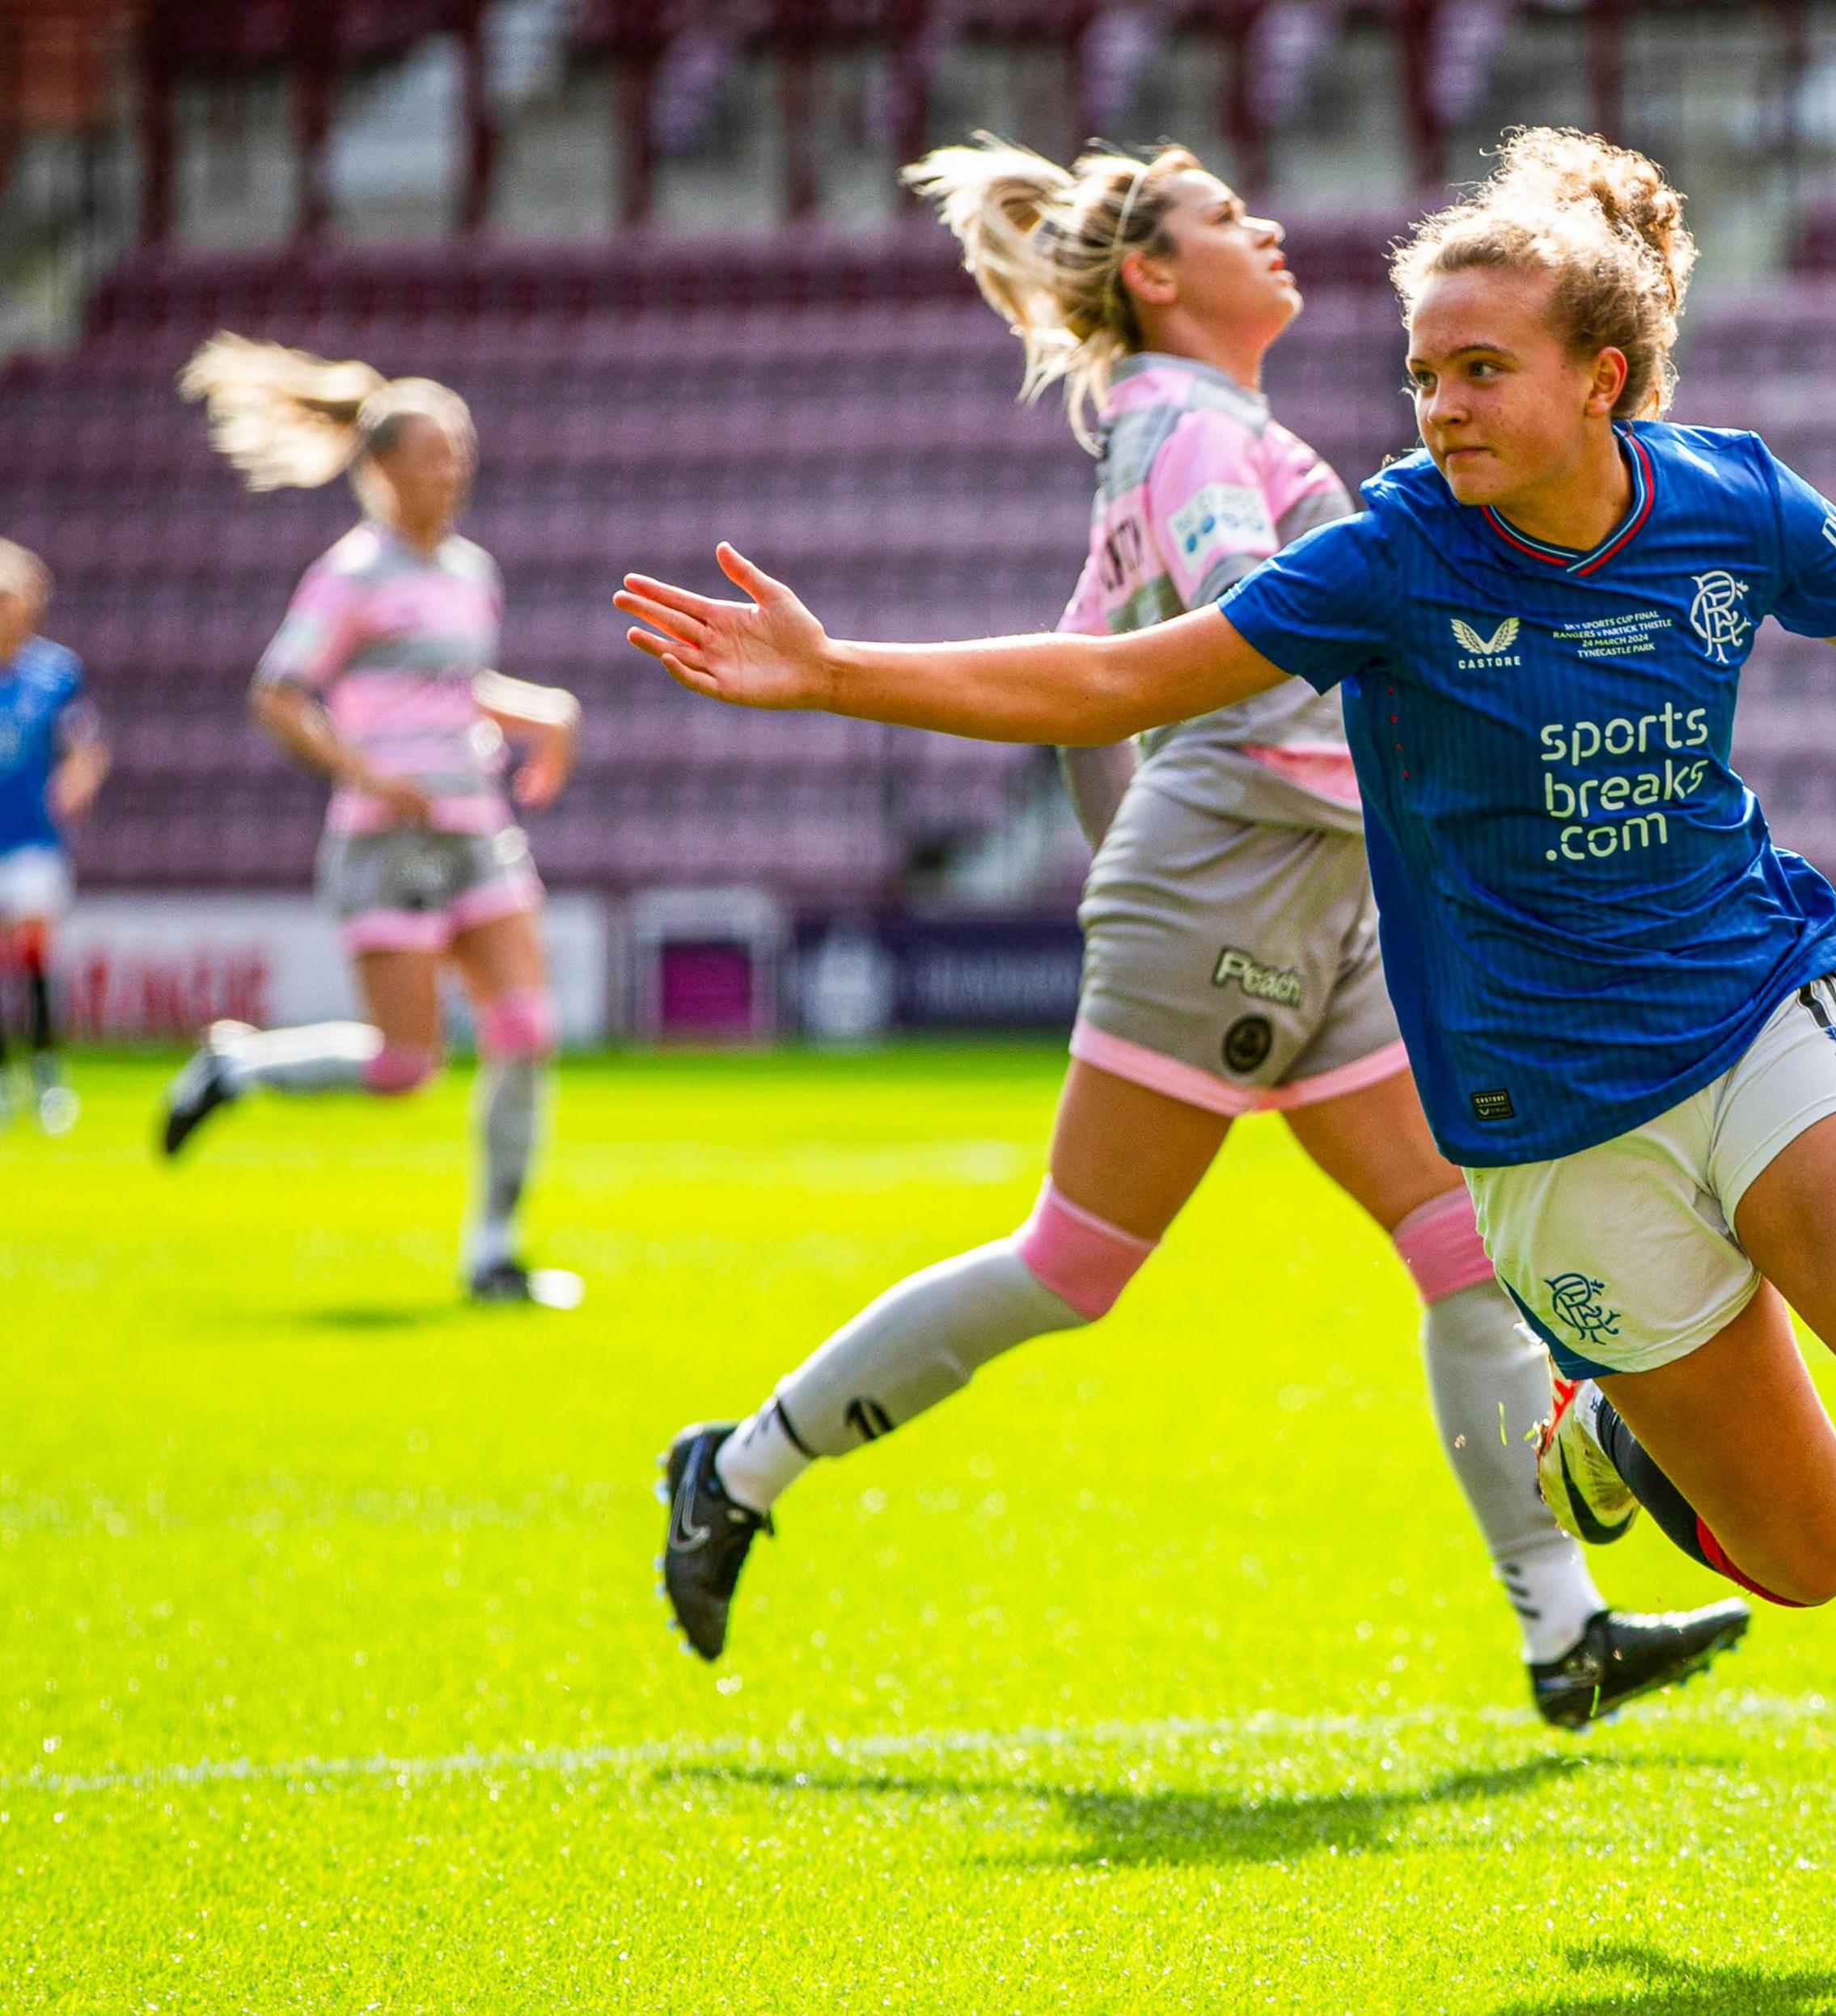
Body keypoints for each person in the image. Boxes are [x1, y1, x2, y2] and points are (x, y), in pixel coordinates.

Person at [616, 127, 1836, 1981]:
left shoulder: (1729, 505)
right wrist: (835, 668)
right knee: (1808, 1555)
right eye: (1420, 372)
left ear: (1602, 374)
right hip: (1548, 1121)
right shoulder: (1389, 556)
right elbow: (1116, 684)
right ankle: (1607, 1452)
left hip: (1760, 1010)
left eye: (1476, 369)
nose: (1435, 406)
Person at [652, 135, 1748, 1731]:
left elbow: (1096, 685)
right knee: (1076, 1264)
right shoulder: (1185, 426)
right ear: (1160, 277)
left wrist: (1136, 853)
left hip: (1294, 875)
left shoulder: (1192, 427)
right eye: (1229, 217)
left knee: (1460, 1254)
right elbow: (1256, 628)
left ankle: (1560, 1628)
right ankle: (735, 1465)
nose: (1271, 226)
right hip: (1244, 874)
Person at [160, 337, 584, 1308]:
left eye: (462, 451)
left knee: (527, 1025)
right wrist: (367, 772)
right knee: (405, 1066)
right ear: (384, 468)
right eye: (436, 454)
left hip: (474, 826)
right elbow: (280, 692)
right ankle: (241, 1066)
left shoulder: (472, 571)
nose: (454, 469)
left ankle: (495, 1254)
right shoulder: (352, 574)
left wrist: (544, 712)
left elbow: (449, 687)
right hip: (386, 843)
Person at [0, 539, 107, 1135]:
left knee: (33, 955)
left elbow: (86, 746)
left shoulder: (54, 671)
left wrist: (76, 778)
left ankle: (45, 1074)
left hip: (32, 838)